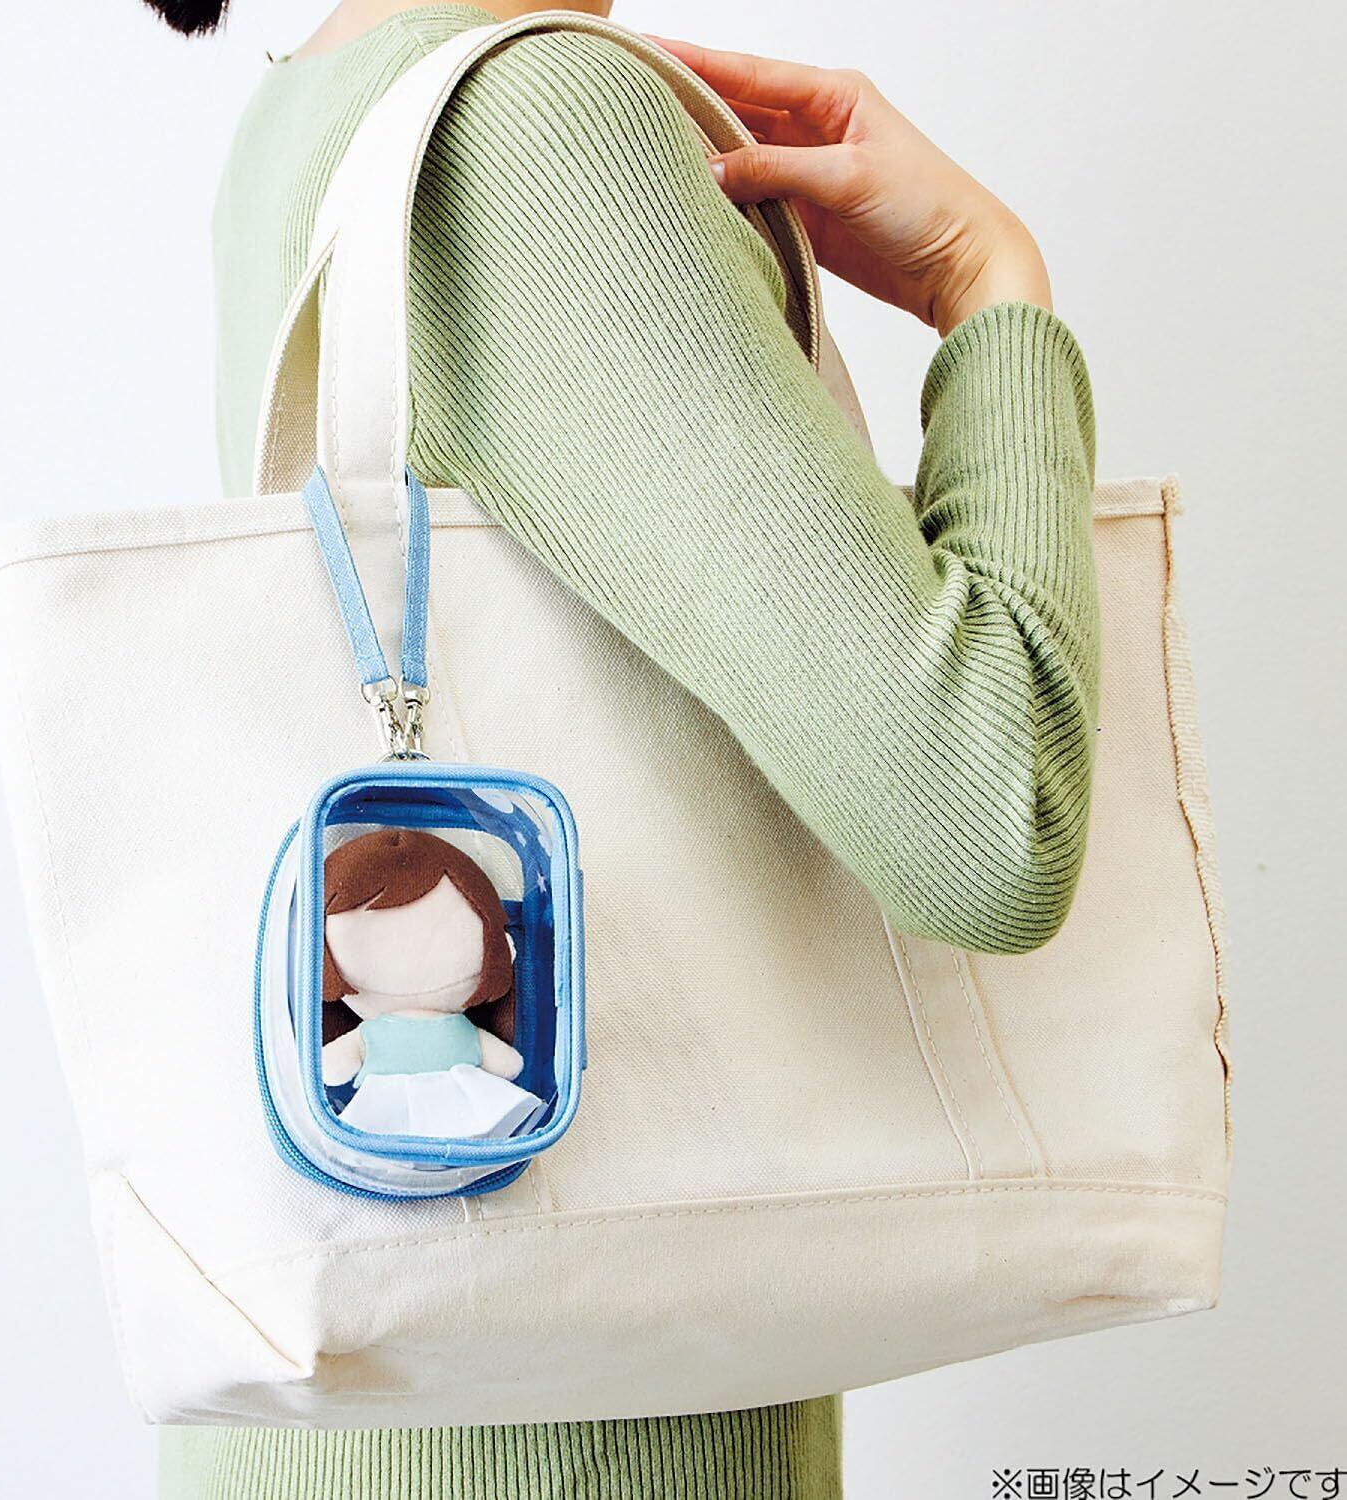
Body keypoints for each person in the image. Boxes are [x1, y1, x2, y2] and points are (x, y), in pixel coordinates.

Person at [151, 0, 1100, 1494]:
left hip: (373, 1423)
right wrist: (985, 284)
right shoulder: (534, 124)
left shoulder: (323, 95)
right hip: (572, 1439)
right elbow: (991, 820)